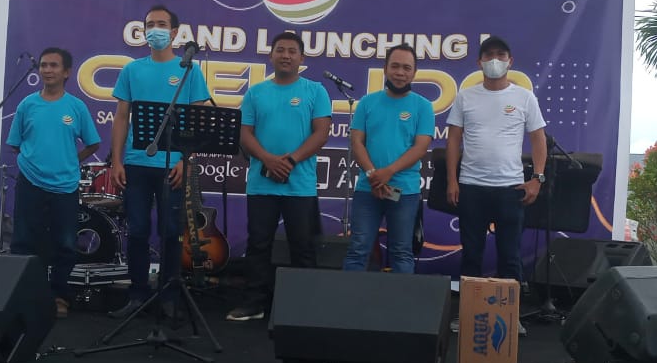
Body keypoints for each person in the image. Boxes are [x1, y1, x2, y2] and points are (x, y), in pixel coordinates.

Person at [107, 5, 210, 320]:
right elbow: (121, 117)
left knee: (171, 232)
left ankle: (169, 297)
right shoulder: (132, 70)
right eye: (150, 24)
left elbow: (199, 119)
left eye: (161, 24)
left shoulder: (189, 71)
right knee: (137, 230)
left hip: (174, 165)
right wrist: (117, 161)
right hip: (137, 164)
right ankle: (137, 295)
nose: (155, 29)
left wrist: (187, 160)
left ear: (175, 32)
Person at [446, 35, 547, 334]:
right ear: (479, 62)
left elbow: (538, 139)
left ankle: (510, 317)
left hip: (511, 189)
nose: (494, 60)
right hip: (471, 186)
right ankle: (468, 316)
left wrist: (537, 178)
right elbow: (453, 140)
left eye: (500, 55)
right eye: (488, 55)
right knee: (471, 254)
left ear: (510, 61)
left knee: (510, 255)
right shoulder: (466, 96)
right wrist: (452, 180)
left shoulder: (525, 97)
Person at [227, 31, 331, 321]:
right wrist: (268, 160)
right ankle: (254, 303)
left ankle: (304, 309)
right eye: (280, 50)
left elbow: (321, 133)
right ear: (271, 55)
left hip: (300, 185)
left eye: (292, 51)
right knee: (258, 245)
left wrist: (291, 160)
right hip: (261, 183)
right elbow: (244, 133)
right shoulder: (255, 93)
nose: (286, 55)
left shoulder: (316, 91)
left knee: (303, 247)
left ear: (302, 58)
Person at [7, 47, 101, 318]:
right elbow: (15, 144)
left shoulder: (76, 107)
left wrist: (71, 160)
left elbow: (93, 143)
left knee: (66, 243)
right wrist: (34, 161)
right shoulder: (27, 105)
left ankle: (59, 296)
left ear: (66, 72)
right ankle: (23, 296)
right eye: (44, 65)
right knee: (23, 241)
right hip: (30, 182)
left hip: (65, 186)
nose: (47, 70)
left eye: (54, 65)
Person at [342, 43, 434, 273]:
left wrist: (388, 172)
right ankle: (348, 297)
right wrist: (373, 174)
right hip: (368, 188)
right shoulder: (367, 102)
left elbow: (420, 147)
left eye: (406, 68)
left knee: (401, 251)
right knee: (358, 249)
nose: (400, 72)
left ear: (414, 72)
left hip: (404, 191)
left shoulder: (423, 106)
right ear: (385, 68)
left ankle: (401, 299)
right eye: (395, 66)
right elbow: (357, 142)